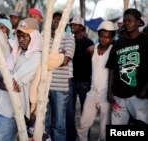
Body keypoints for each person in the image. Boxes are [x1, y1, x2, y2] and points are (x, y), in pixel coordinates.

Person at [0, 18, 43, 141]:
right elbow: (4, 81)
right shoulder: (18, 53)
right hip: (0, 107)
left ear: (34, 36)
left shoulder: (36, 57)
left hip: (11, 114)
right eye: (19, 36)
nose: (20, 40)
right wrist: (0, 76)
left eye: (25, 36)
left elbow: (9, 84)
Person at [106, 8, 148, 125]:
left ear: (139, 22)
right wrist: (110, 91)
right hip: (119, 96)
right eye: (125, 21)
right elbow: (112, 68)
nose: (126, 23)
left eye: (130, 20)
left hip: (138, 96)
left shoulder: (145, 42)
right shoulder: (118, 43)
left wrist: (145, 90)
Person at [77, 21, 116, 141]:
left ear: (112, 37)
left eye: (108, 37)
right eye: (102, 36)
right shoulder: (91, 50)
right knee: (83, 125)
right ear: (99, 35)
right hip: (92, 91)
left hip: (106, 93)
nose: (104, 39)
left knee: (104, 130)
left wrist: (111, 92)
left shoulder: (113, 50)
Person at [45, 11, 75, 141]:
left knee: (58, 125)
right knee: (44, 124)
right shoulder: (45, 38)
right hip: (44, 87)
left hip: (60, 88)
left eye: (59, 19)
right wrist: (59, 55)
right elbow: (41, 59)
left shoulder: (69, 38)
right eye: (54, 18)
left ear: (65, 23)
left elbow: (65, 61)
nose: (56, 21)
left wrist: (51, 58)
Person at [66, 16, 94, 141]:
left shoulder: (89, 43)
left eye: (76, 24)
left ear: (81, 27)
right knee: (70, 111)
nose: (73, 26)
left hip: (84, 82)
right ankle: (71, 137)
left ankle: (85, 137)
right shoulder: (69, 41)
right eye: (72, 24)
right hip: (71, 80)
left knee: (85, 111)